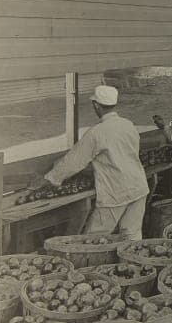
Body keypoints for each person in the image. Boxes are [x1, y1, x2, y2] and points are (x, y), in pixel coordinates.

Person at [26, 85, 149, 240]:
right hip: (138, 186)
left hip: (116, 190)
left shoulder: (96, 133)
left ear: (96, 105)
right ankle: (133, 263)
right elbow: (124, 154)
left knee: (93, 239)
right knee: (132, 235)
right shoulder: (128, 125)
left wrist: (49, 178)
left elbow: (73, 161)